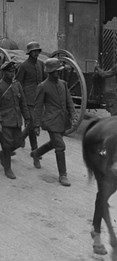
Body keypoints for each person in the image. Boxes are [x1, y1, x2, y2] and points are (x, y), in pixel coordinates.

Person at [31, 58, 77, 187]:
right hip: (51, 121)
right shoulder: (43, 86)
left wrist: (73, 115)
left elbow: (69, 101)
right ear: (50, 72)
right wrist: (36, 124)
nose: (59, 73)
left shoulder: (63, 84)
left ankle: (36, 153)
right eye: (57, 71)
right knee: (60, 146)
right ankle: (63, 175)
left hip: (62, 120)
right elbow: (38, 107)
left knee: (54, 143)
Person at [0, 61, 29, 179]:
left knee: (19, 142)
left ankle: (3, 155)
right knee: (7, 145)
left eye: (13, 71)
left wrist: (27, 118)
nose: (12, 74)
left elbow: (23, 102)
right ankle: (8, 169)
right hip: (5, 121)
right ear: (4, 72)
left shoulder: (17, 85)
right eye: (9, 71)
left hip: (16, 120)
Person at [15, 41, 45, 168]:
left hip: (38, 99)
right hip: (27, 99)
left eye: (37, 51)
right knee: (32, 124)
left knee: (34, 124)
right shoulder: (24, 66)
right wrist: (19, 98)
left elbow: (44, 81)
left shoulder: (41, 64)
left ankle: (21, 137)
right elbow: (18, 82)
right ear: (29, 53)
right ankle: (35, 152)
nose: (35, 53)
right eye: (33, 51)